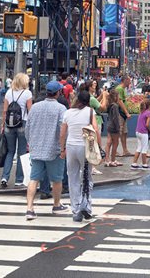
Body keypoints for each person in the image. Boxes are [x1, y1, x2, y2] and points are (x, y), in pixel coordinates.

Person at [24, 80, 68, 220]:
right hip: (53, 149)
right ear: (58, 93)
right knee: (56, 179)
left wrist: (31, 143)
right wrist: (63, 147)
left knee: (34, 179)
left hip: (36, 149)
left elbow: (28, 128)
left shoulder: (35, 107)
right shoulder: (61, 109)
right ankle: (56, 205)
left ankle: (30, 208)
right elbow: (63, 131)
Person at [60, 87, 100, 222]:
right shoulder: (90, 112)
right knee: (87, 177)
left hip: (71, 146)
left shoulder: (68, 113)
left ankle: (76, 209)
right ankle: (87, 206)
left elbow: (62, 133)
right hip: (85, 147)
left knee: (73, 178)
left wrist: (62, 149)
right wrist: (98, 146)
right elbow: (95, 129)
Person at [0, 72, 33, 188]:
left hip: (9, 124)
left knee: (10, 151)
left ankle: (5, 177)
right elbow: (30, 111)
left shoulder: (9, 93)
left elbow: (5, 111)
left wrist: (2, 125)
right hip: (22, 123)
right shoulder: (27, 93)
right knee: (22, 152)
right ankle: (18, 179)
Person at [104, 90, 123, 167]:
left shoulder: (110, 105)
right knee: (115, 143)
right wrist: (118, 128)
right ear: (115, 97)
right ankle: (112, 159)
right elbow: (116, 118)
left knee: (108, 142)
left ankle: (107, 159)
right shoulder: (115, 106)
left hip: (109, 125)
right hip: (114, 127)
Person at [114, 76, 133, 156]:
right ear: (125, 80)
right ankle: (114, 151)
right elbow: (119, 101)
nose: (130, 82)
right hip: (120, 113)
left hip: (122, 114)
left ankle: (125, 150)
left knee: (124, 132)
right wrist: (126, 112)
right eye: (129, 81)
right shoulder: (119, 89)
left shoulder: (122, 89)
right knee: (118, 132)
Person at [132, 101, 150, 169]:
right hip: (144, 132)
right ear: (149, 106)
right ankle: (144, 164)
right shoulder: (149, 113)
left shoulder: (142, 112)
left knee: (139, 147)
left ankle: (134, 163)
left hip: (138, 131)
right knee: (144, 148)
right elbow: (147, 124)